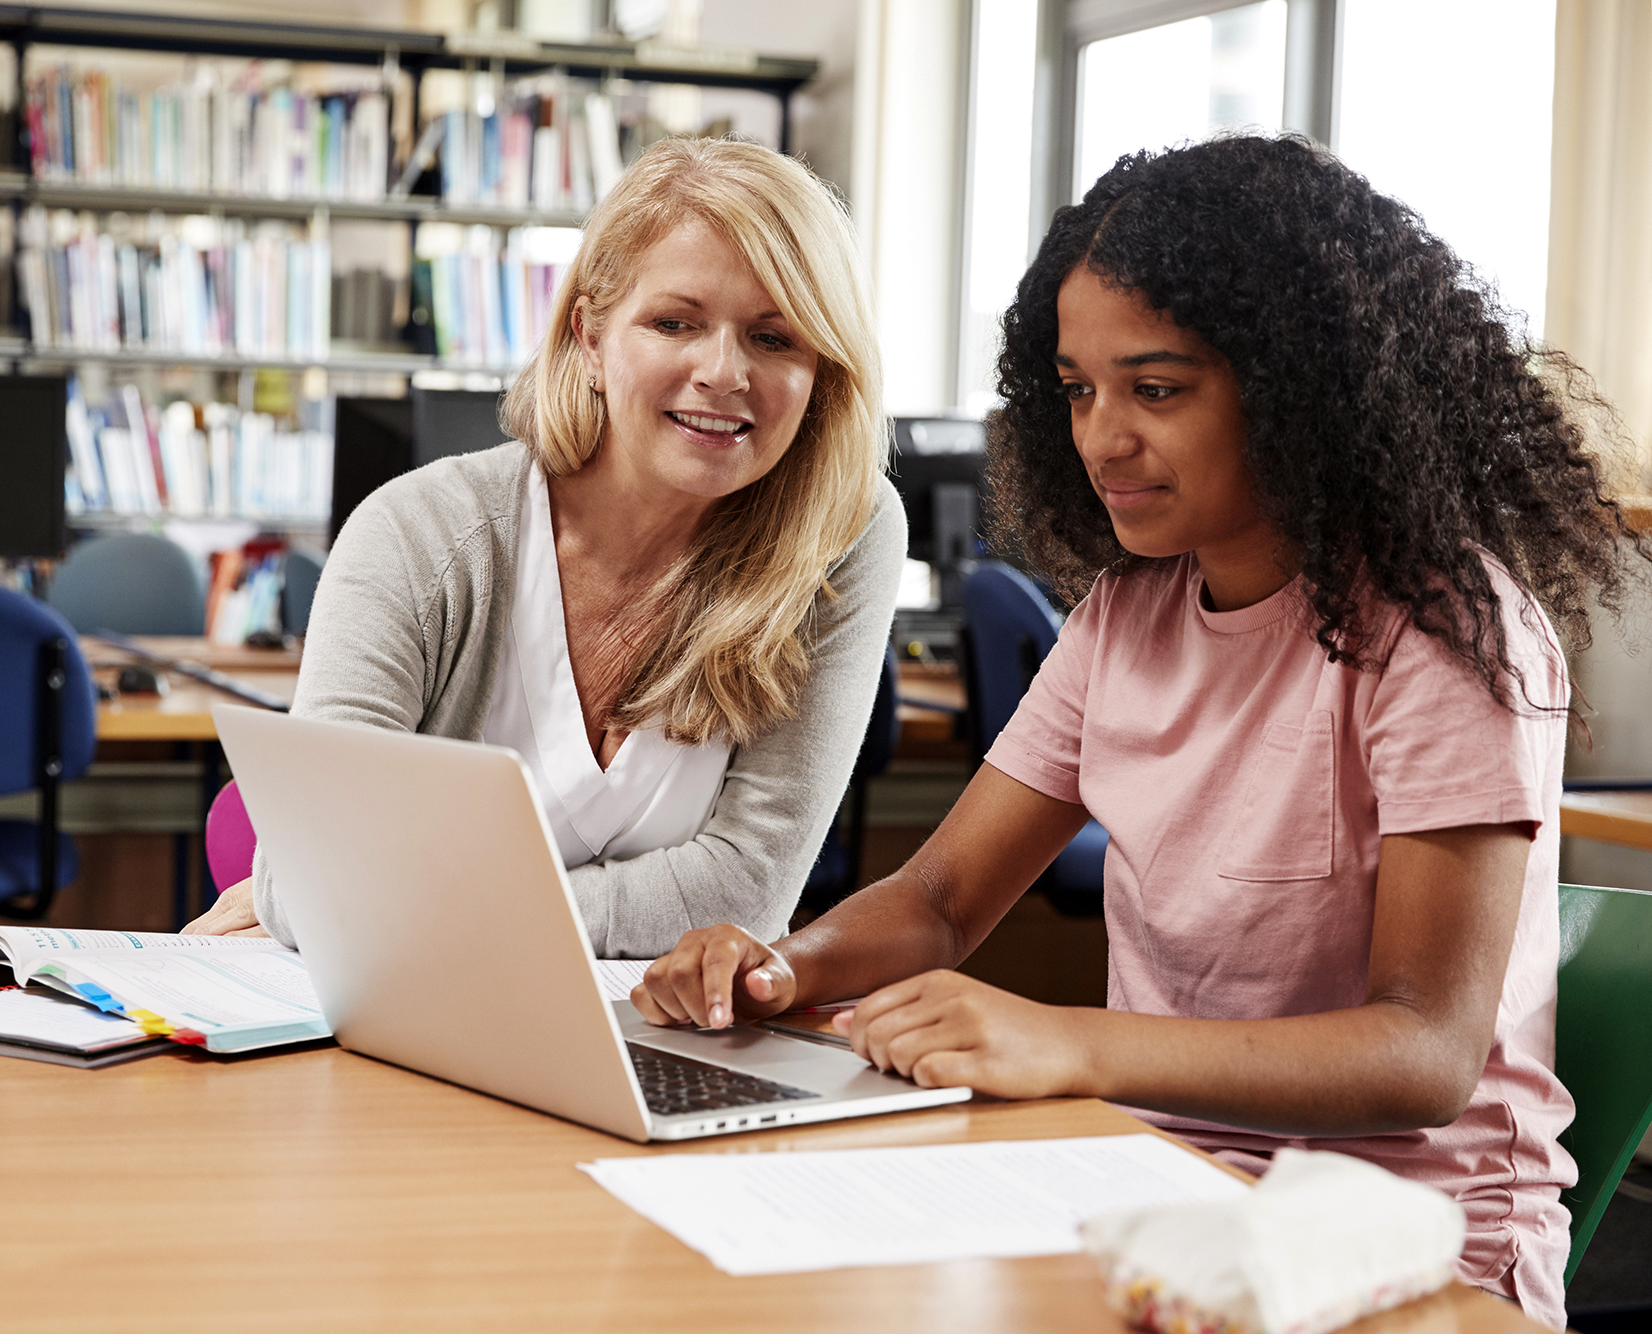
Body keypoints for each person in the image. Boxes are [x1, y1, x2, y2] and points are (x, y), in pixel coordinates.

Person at [632, 135, 1649, 1328]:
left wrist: (1071, 1041)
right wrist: (779, 967)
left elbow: (1421, 1052)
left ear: (1295, 387)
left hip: (1398, 1243)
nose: (1101, 437)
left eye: (1155, 389)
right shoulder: (1126, 614)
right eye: (1076, 389)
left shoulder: (1439, 634)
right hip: (1149, 1193)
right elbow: (942, 900)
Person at [185, 136, 902, 959]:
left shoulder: (840, 528)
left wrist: (405, 906)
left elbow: (747, 892)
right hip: (406, 1031)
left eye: (775, 339)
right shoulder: (417, 535)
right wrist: (339, 896)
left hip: (661, 1052)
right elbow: (314, 882)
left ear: (822, 371)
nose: (723, 371)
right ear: (590, 337)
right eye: (675, 322)